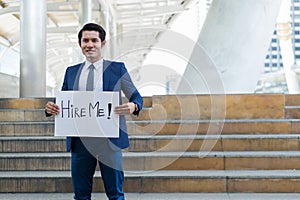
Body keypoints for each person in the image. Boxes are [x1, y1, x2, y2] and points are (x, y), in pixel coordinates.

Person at [45, 23, 143, 200]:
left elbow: (136, 96)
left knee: (115, 193)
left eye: (94, 40)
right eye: (85, 40)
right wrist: (51, 106)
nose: (89, 44)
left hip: (109, 139)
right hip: (80, 140)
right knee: (81, 194)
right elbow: (63, 98)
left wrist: (133, 106)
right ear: (80, 44)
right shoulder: (71, 72)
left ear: (102, 43)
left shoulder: (117, 69)